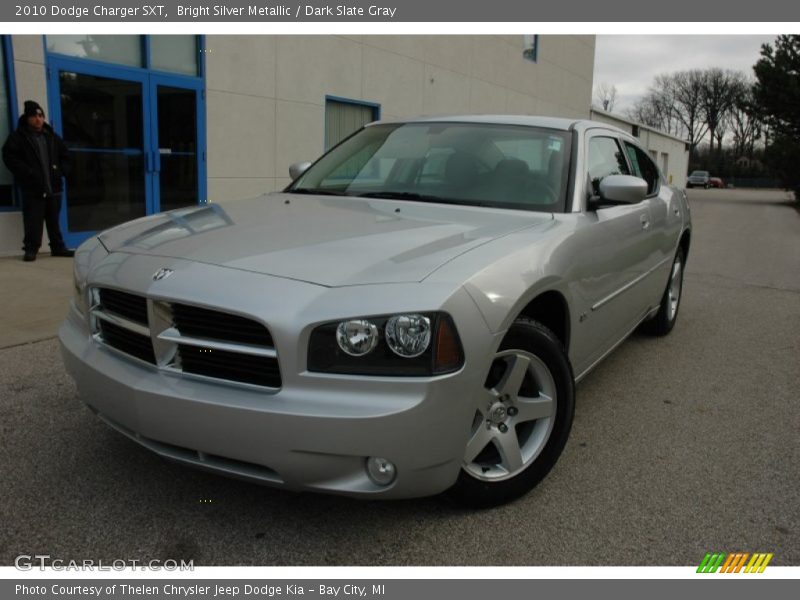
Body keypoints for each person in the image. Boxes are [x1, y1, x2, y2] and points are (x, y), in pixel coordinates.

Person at [2, 100, 73, 261]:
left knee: (54, 220)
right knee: (33, 220)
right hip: (33, 188)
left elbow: (66, 156)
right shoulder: (19, 138)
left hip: (53, 187)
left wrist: (61, 172)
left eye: (40, 115)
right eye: (34, 116)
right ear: (27, 118)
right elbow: (9, 157)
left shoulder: (52, 137)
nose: (38, 119)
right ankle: (31, 249)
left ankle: (58, 247)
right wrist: (28, 172)